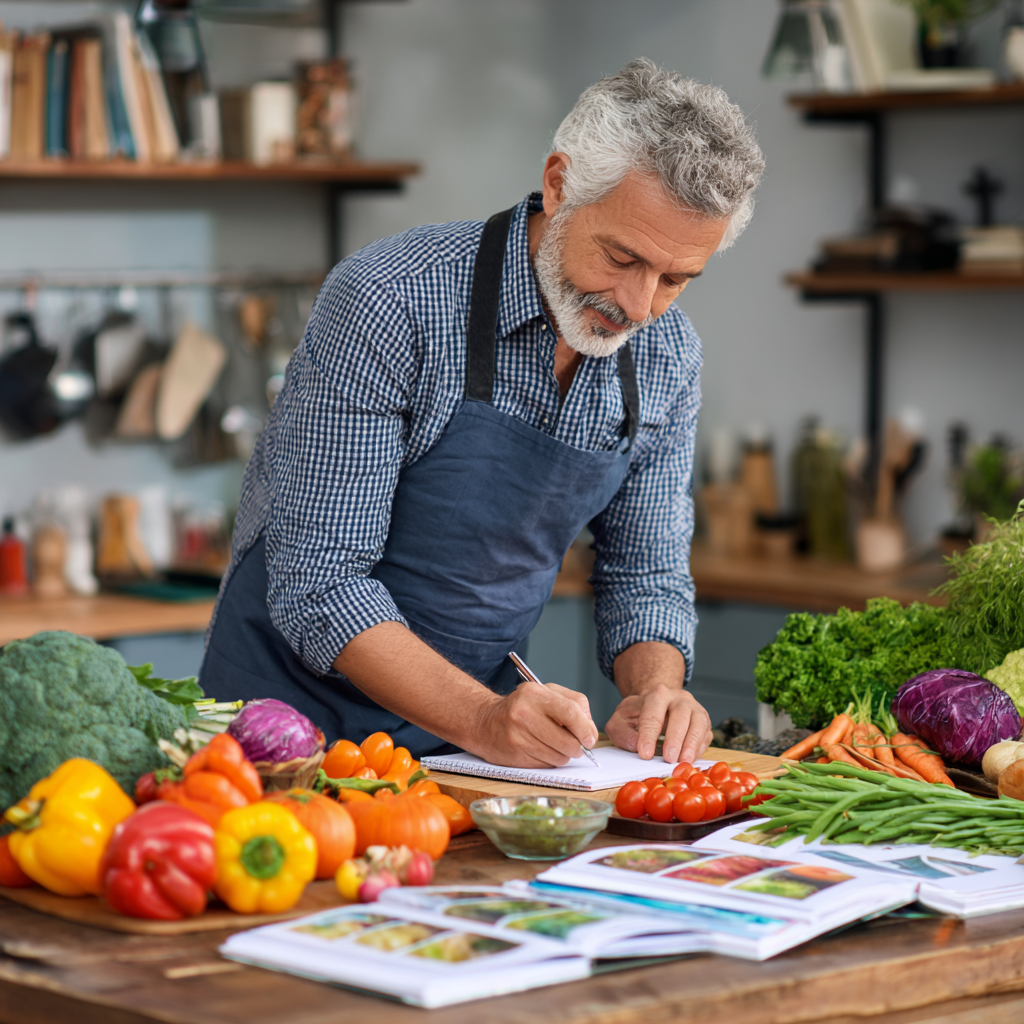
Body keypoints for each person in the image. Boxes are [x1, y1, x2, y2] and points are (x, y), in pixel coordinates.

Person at [201, 58, 765, 769]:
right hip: (286, 735)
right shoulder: (390, 300)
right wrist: (483, 718)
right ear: (559, 185)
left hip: (474, 749)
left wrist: (659, 690)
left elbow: (644, 573)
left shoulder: (667, 356)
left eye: (677, 278)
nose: (638, 304)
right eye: (621, 257)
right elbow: (321, 582)